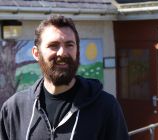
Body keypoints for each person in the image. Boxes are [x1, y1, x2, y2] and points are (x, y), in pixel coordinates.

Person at [0, 15, 129, 140]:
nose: (62, 52)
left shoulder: (105, 107)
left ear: (77, 51)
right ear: (36, 53)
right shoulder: (14, 109)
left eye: (69, 45)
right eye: (53, 45)